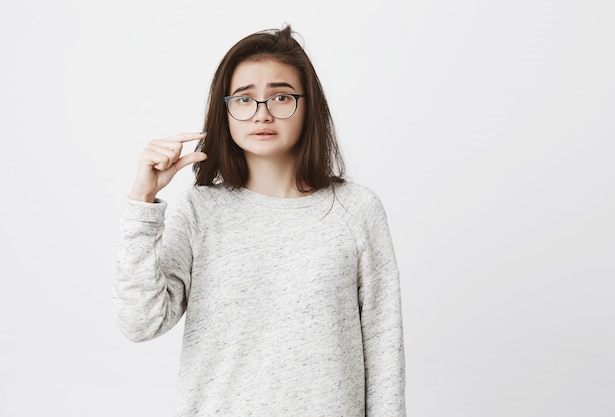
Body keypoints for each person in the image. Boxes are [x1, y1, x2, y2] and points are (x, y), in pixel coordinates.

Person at [113, 25, 406, 417]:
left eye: (281, 97)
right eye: (244, 99)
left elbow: (384, 349)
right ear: (226, 111)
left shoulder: (356, 210)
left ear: (308, 107)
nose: (262, 114)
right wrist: (142, 201)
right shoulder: (200, 210)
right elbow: (140, 323)